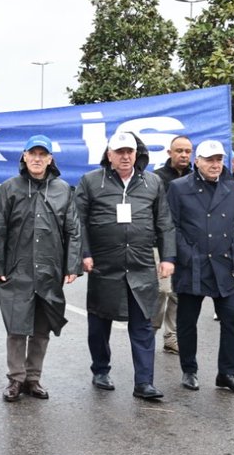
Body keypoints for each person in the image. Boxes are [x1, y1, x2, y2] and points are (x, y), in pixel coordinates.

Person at [74, 131, 175, 400]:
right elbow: (78, 222)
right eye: (119, 152)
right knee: (99, 322)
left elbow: (164, 222)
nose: (125, 156)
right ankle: (100, 370)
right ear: (109, 155)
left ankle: (144, 382)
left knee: (143, 325)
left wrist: (167, 258)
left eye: (129, 151)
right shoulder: (91, 181)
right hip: (104, 266)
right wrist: (84, 253)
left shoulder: (152, 182)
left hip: (141, 265)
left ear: (136, 153)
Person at [0, 136, 81, 402]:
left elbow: (73, 230)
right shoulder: (10, 187)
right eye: (33, 154)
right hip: (17, 269)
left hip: (50, 270)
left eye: (43, 154)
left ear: (50, 159)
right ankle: (15, 379)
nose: (37, 159)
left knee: (42, 328)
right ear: (24, 156)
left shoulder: (63, 189)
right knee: (17, 326)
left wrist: (72, 265)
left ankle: (33, 378)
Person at [166, 140, 234, 395]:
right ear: (198, 161)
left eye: (219, 159)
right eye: (209, 160)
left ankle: (227, 373)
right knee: (187, 320)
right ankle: (189, 369)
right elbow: (171, 226)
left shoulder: (233, 188)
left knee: (232, 318)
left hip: (225, 264)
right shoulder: (179, 187)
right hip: (192, 265)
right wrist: (187, 255)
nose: (215, 164)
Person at [152, 135, 192, 354]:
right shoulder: (156, 178)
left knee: (179, 292)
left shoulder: (196, 178)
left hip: (186, 244)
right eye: (179, 151)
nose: (184, 155)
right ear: (170, 153)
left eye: (187, 151)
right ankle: (149, 331)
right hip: (160, 244)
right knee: (162, 290)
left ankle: (171, 336)